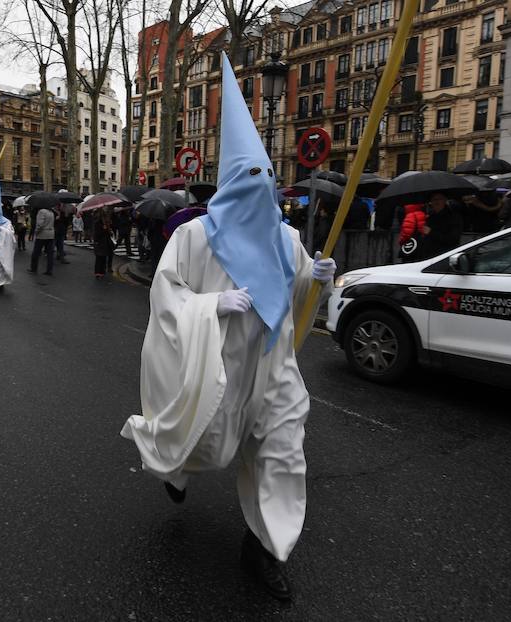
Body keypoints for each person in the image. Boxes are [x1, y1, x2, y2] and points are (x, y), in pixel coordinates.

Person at [120, 54, 336, 602]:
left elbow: (297, 292)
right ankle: (174, 467)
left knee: (283, 454)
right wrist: (213, 305)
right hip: (218, 366)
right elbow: (167, 294)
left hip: (273, 368)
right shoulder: (193, 238)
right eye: (249, 180)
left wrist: (319, 278)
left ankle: (265, 548)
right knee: (207, 447)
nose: (260, 191)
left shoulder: (287, 240)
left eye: (267, 180)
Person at [417, 192, 464, 259]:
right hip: (428, 256)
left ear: (445, 200)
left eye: (439, 199)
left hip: (444, 255)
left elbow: (453, 239)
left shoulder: (454, 217)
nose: (436, 202)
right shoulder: (430, 217)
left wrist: (431, 232)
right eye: (434, 199)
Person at [28, 200, 56, 275]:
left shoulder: (42, 212)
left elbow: (40, 224)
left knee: (36, 252)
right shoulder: (51, 212)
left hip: (42, 234)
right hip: (51, 234)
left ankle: (33, 268)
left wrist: (36, 232)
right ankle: (49, 270)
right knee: (50, 253)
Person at [93, 208, 114, 278]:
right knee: (99, 257)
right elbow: (97, 234)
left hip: (106, 242)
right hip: (100, 242)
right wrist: (104, 230)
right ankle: (98, 272)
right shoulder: (97, 223)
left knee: (104, 257)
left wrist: (109, 230)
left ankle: (102, 271)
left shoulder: (106, 223)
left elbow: (108, 233)